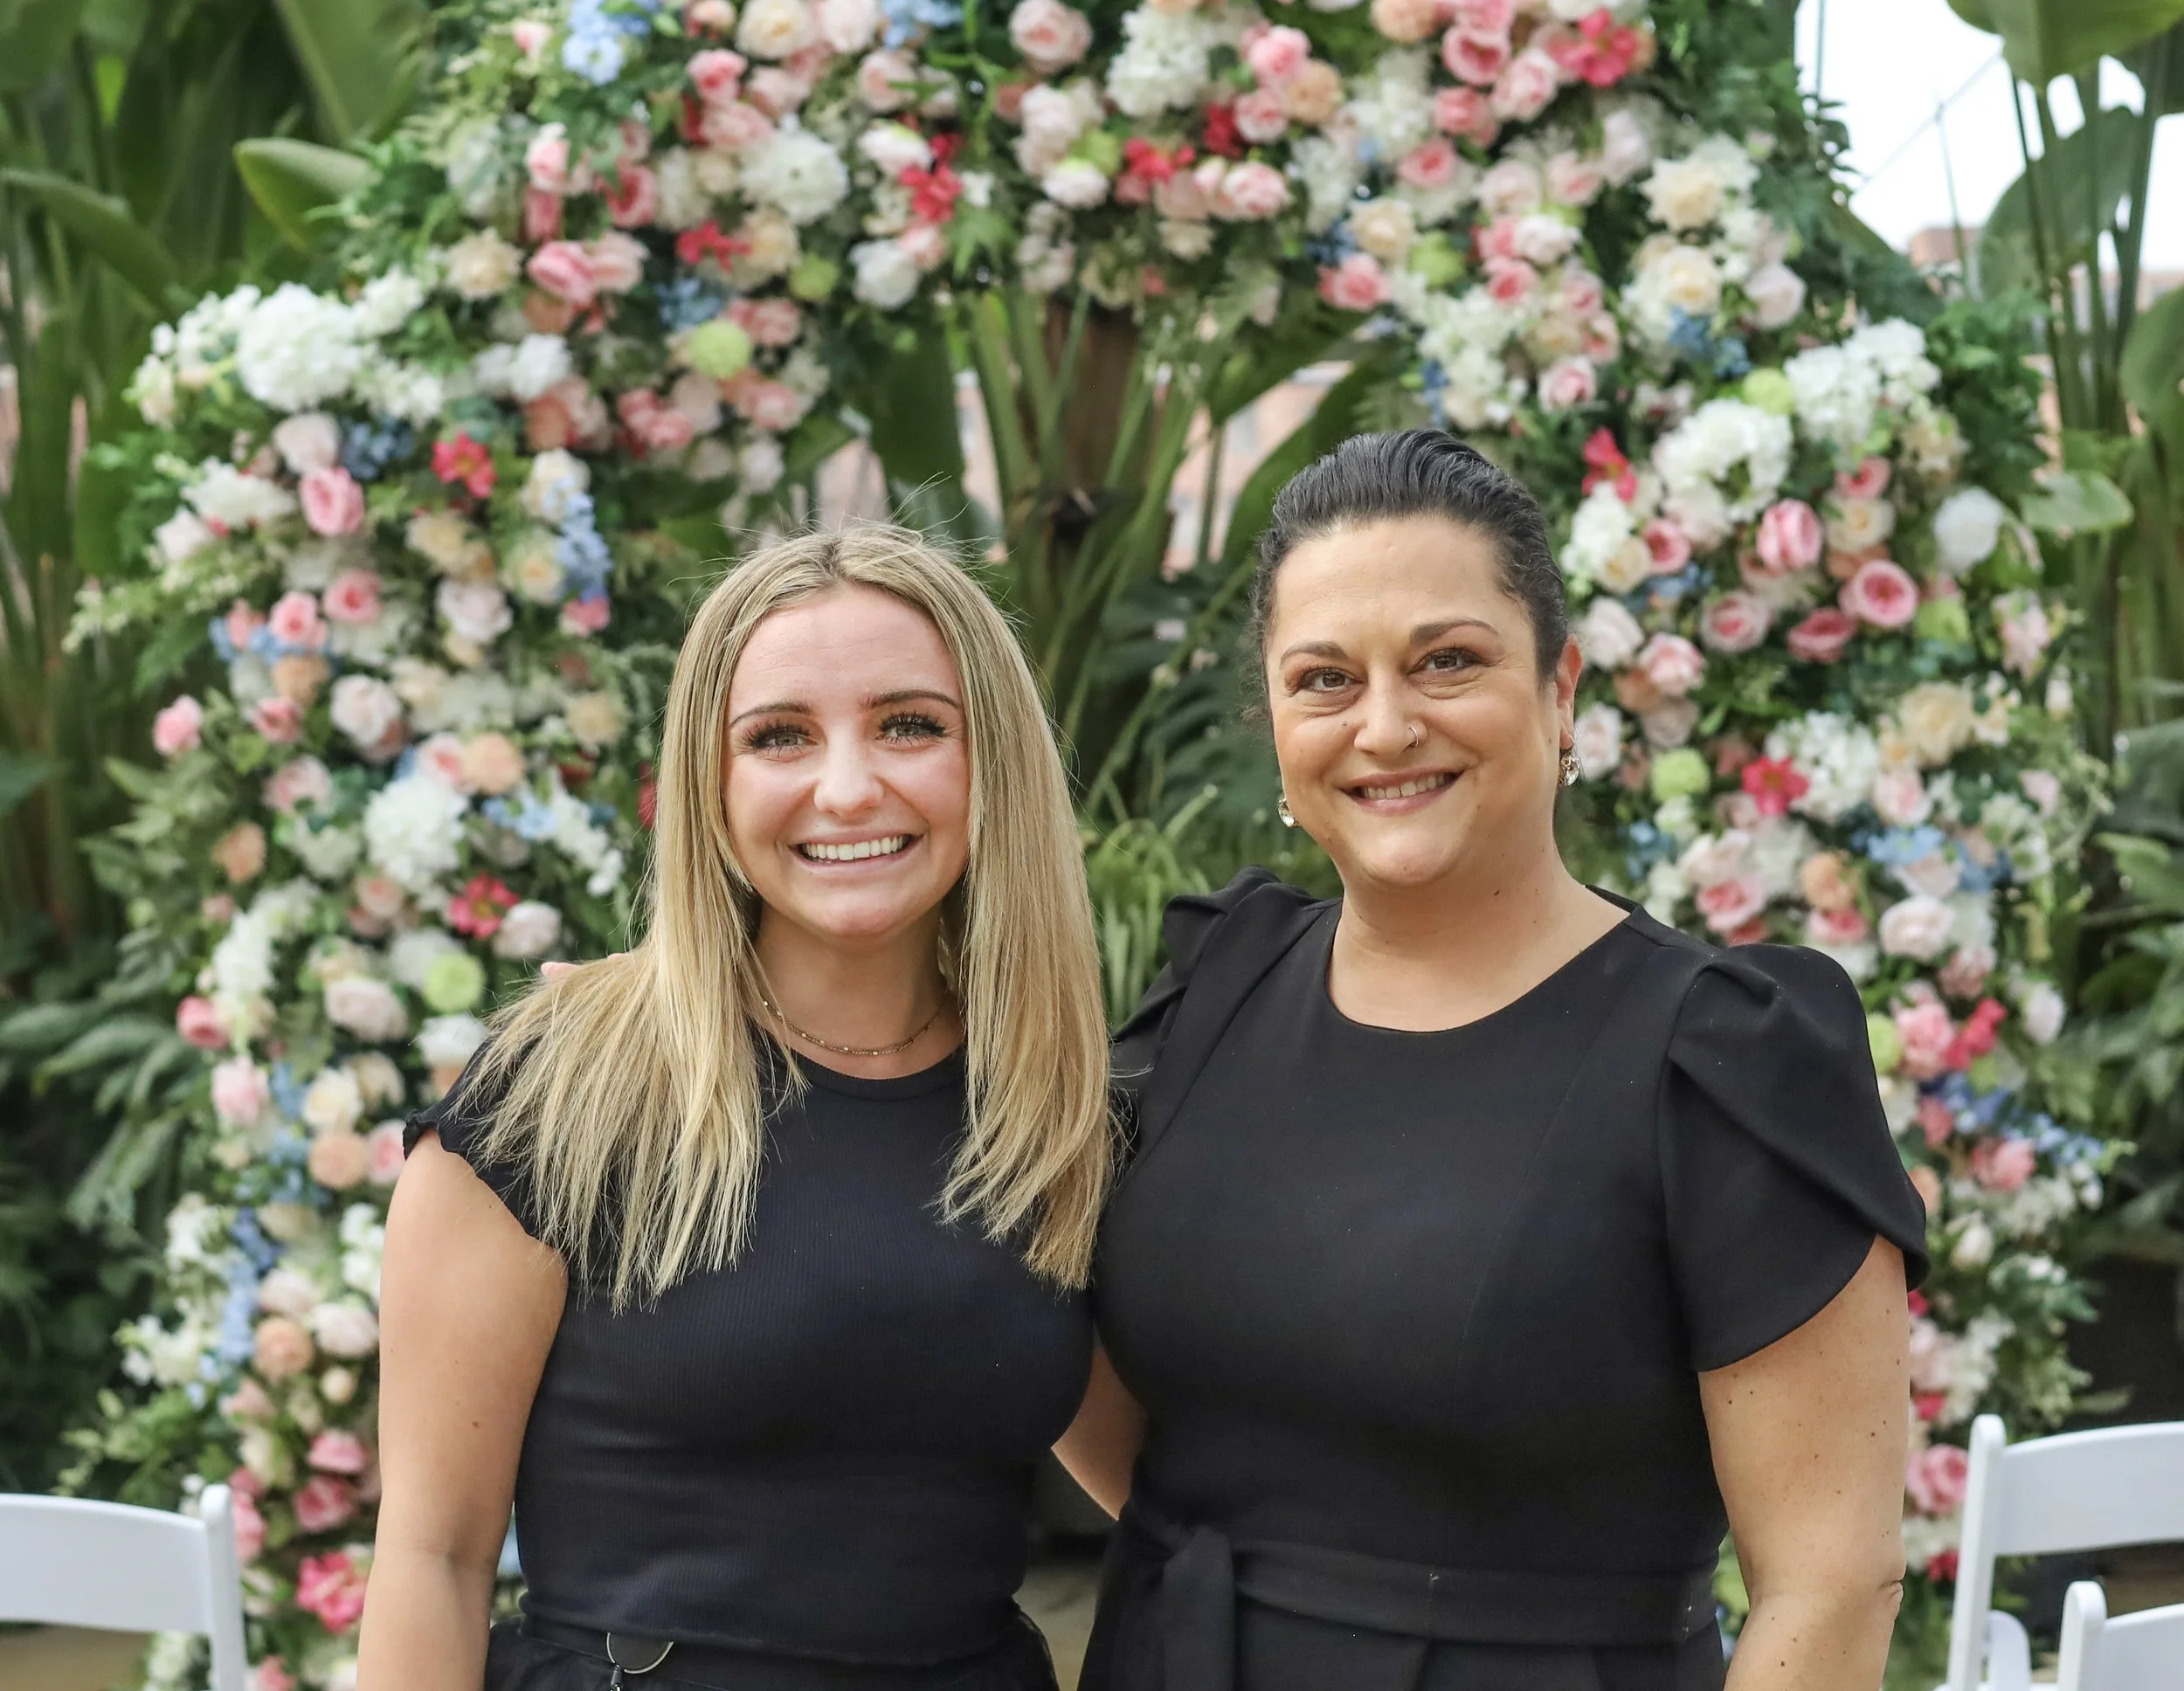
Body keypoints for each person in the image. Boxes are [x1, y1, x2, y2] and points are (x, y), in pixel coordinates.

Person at [1056, 431, 1930, 1691]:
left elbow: (1831, 1586)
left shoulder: (1719, 1061)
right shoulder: (1212, 997)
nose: (1387, 725)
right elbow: (1134, 1428)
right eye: (1324, 681)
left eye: (1447, 661)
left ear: (1560, 690)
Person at [359, 526, 1114, 1691]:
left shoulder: (1048, 1106)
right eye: (779, 737)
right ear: (710, 788)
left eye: (910, 723)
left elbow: (1163, 1481)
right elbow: (432, 1560)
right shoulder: (566, 1091)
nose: (849, 785)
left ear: (992, 762)